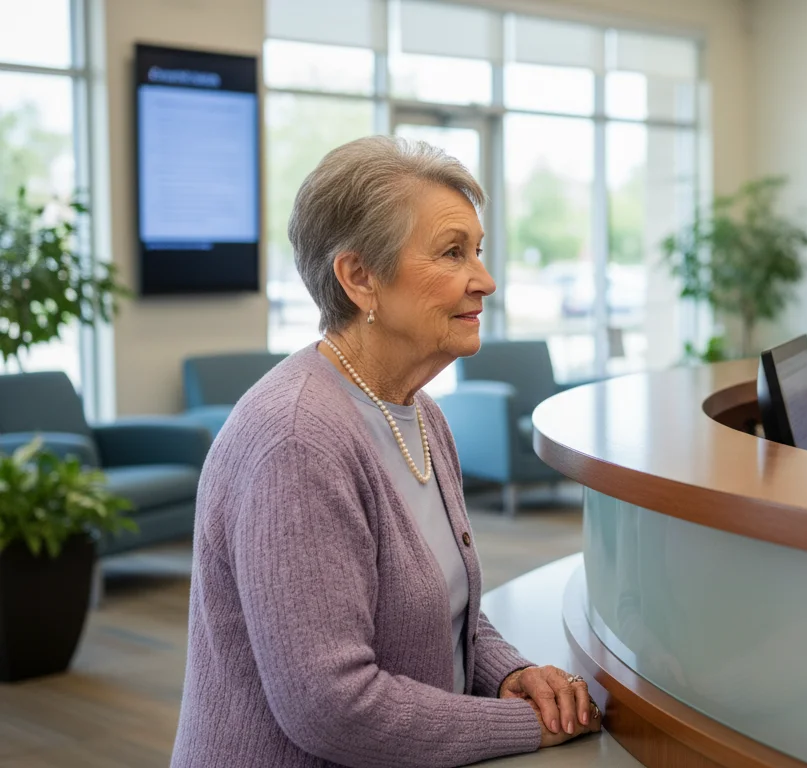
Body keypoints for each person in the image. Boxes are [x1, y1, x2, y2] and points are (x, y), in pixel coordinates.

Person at [172, 136, 601, 767]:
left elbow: (442, 614)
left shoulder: (419, 410)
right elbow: (332, 707)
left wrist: (508, 674)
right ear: (359, 277)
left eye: (477, 251)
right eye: (453, 253)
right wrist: (520, 726)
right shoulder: (297, 442)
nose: (485, 280)